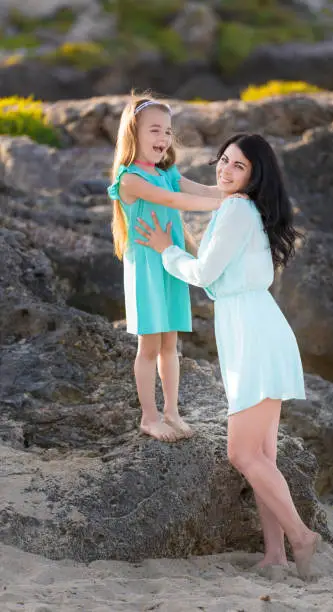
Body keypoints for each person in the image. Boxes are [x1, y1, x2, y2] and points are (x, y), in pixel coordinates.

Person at [135, 133, 321, 579]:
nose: (224, 170)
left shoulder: (237, 209)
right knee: (262, 457)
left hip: (253, 334)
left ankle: (301, 535)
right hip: (255, 327)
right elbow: (220, 269)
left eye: (237, 166)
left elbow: (203, 274)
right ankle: (275, 554)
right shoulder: (242, 209)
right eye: (222, 161)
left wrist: (166, 250)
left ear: (255, 176)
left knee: (242, 454)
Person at [107, 95, 221, 443]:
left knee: (170, 344)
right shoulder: (129, 179)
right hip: (146, 267)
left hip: (170, 262)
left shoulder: (167, 173)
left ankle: (171, 411)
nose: (164, 137)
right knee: (149, 346)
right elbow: (176, 202)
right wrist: (222, 204)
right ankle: (149, 416)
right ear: (133, 133)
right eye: (155, 129)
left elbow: (201, 189)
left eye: (168, 131)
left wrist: (239, 195)